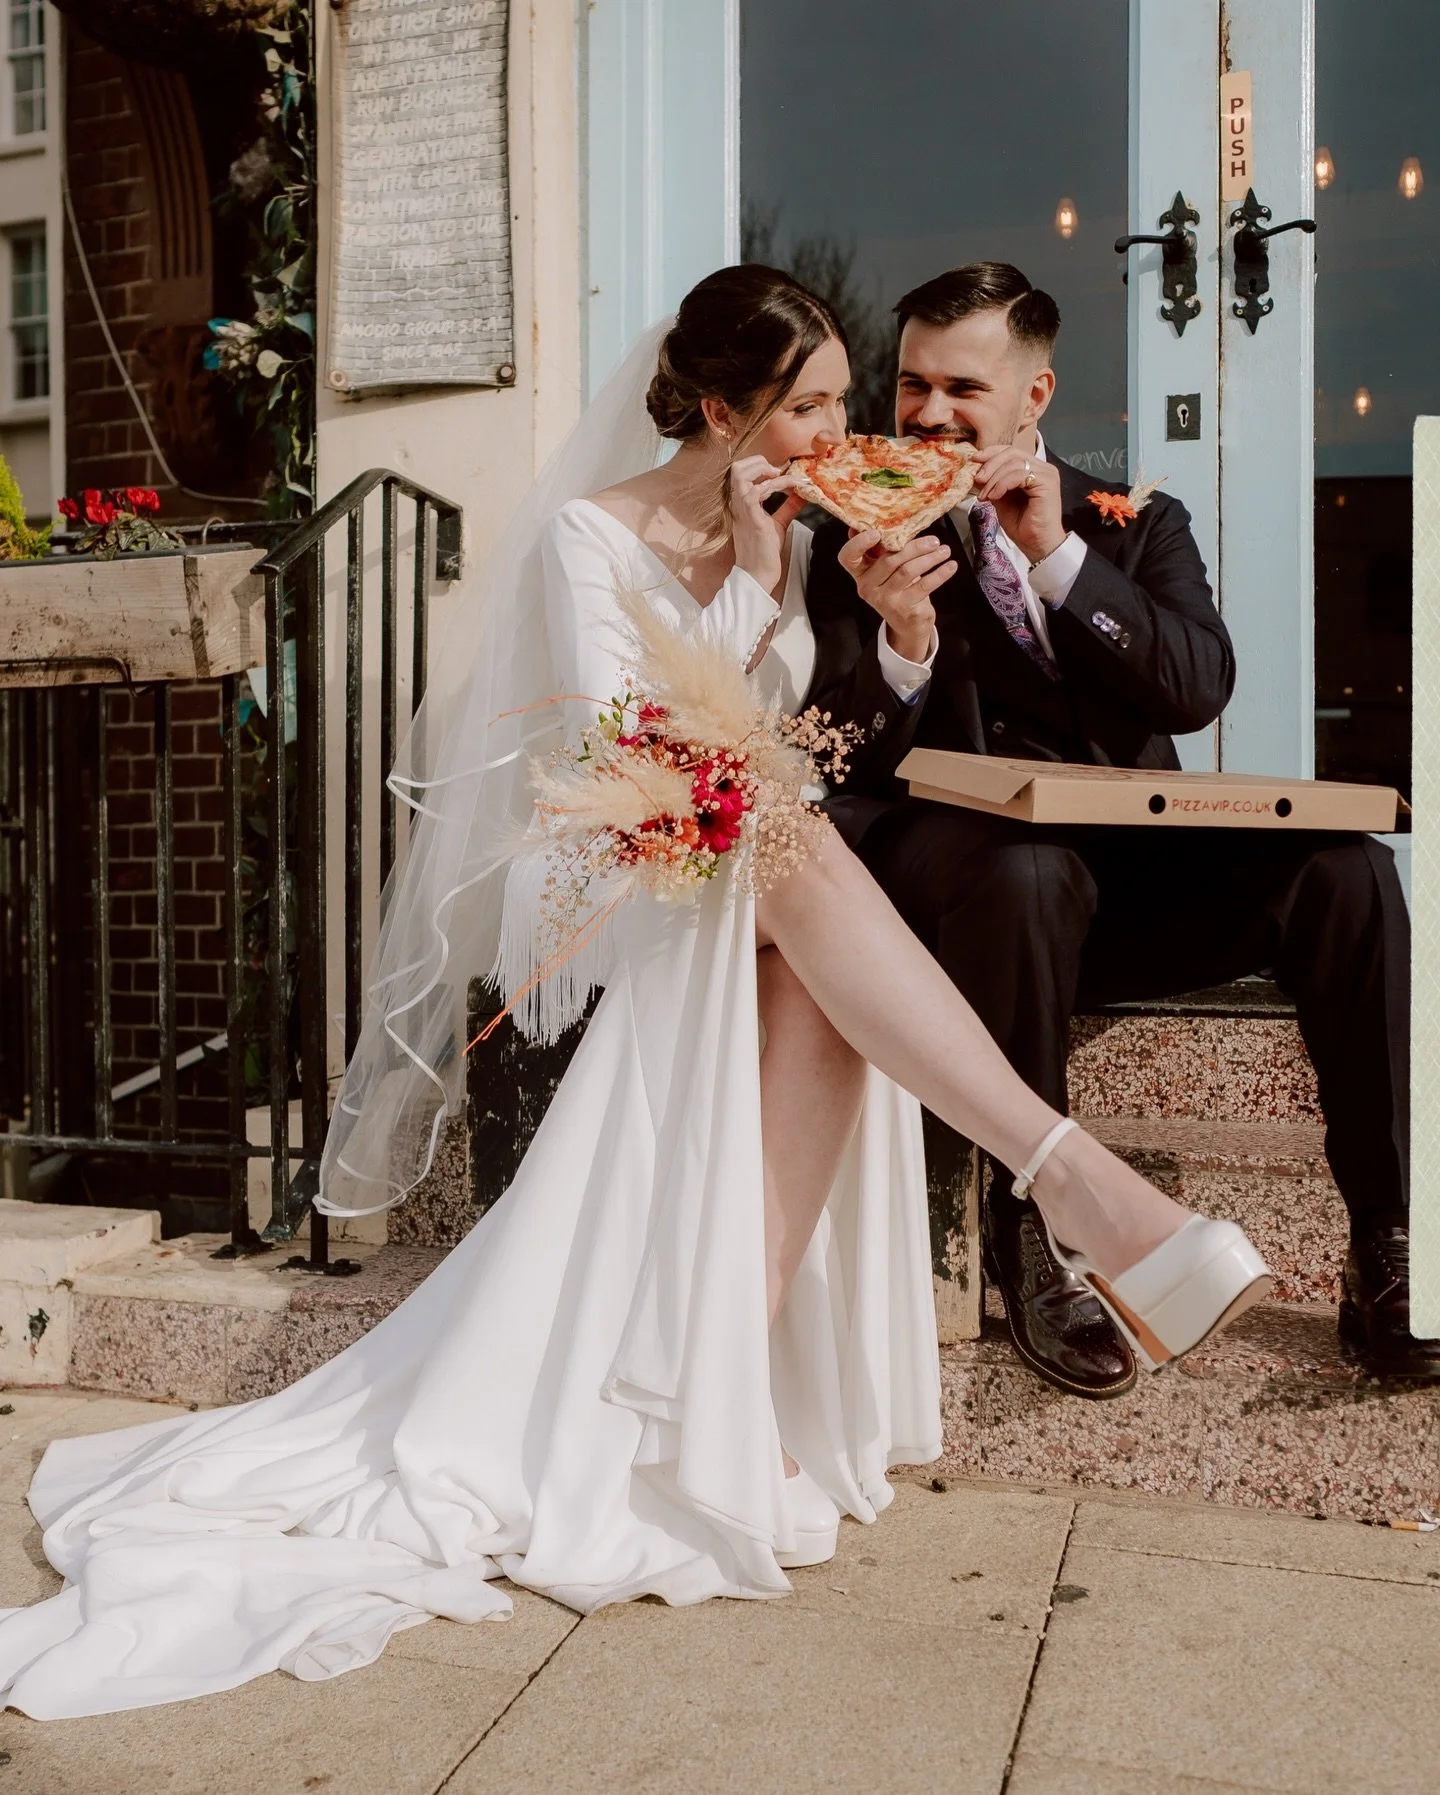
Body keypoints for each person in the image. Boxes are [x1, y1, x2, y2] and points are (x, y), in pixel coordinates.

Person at [0, 267, 1268, 1719]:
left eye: (843, 401)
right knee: (791, 867)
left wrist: (872, 623)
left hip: (740, 850)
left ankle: (736, 1370)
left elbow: (813, 740)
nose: (838, 430)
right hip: (606, 866)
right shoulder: (588, 537)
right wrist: (736, 589)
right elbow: (634, 751)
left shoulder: (810, 532)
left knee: (805, 961)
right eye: (807, 405)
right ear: (723, 411)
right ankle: (1077, 1180)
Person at [802, 260, 1432, 1396]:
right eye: (910, 386)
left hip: (1129, 891)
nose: (929, 414)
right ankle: (1033, 1232)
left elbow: (1197, 685)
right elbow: (829, 758)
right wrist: (901, 638)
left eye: (962, 388)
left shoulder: (1131, 524)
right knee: (1028, 870)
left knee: (1349, 869)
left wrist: (1056, 559)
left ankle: (1388, 1244)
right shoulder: (852, 536)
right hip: (965, 893)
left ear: (1034, 398)